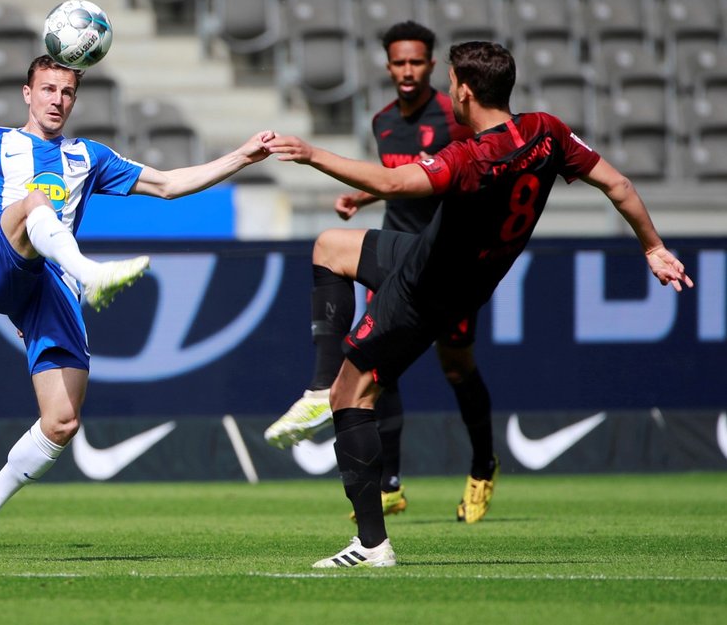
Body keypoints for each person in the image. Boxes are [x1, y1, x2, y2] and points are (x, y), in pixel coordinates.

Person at [264, 41, 693, 568]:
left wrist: (310, 154)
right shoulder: (548, 131)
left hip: (427, 288)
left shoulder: (470, 157)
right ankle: (315, 386)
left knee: (351, 396)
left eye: (449, 82)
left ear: (465, 91)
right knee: (330, 246)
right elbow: (618, 184)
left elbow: (395, 180)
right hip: (447, 265)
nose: (447, 90)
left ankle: (371, 545)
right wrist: (653, 246)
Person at [0, 55, 275, 564]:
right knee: (35, 202)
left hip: (51, 288)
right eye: (48, 89)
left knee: (61, 422)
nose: (57, 100)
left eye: (67, 92)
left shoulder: (88, 155)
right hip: (3, 267)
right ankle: (91, 271)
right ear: (27, 94)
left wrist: (241, 156)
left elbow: (167, 185)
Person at [264, 20, 499, 523]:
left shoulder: (456, 116)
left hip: (445, 260)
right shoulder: (383, 121)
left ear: (433, 66)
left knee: (457, 367)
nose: (408, 71)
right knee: (376, 368)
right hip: (395, 254)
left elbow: (461, 171)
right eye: (399, 62)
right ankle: (389, 484)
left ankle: (483, 464)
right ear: (388, 65)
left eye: (417, 62)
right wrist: (364, 195)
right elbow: (400, 177)